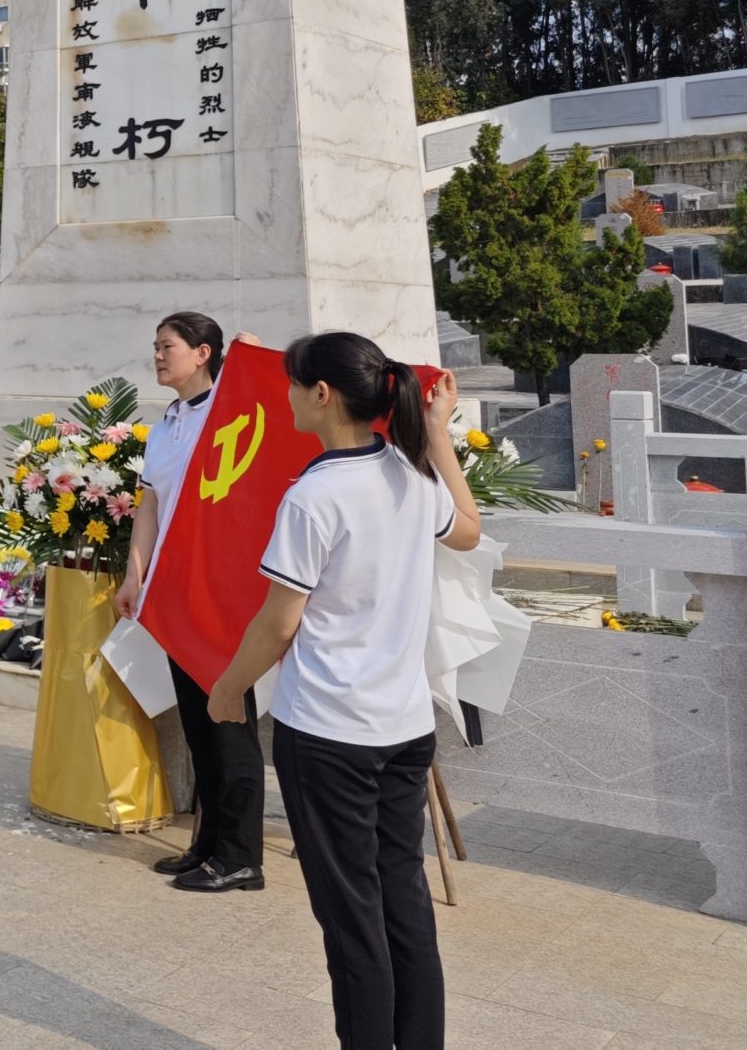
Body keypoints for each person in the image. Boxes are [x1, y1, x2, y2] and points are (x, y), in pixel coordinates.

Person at [209, 335, 479, 1050]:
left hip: (329, 733)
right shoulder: (410, 478)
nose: (289, 395)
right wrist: (441, 436)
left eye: (296, 384)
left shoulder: (315, 495)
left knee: (352, 916)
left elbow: (278, 624)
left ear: (322, 393)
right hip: (402, 725)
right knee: (403, 901)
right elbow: (471, 530)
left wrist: (228, 687)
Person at [115, 311, 264, 893]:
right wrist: (135, 576)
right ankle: (208, 845)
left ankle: (242, 856)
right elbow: (150, 506)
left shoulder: (228, 411)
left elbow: (269, 395)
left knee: (229, 721)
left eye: (168, 346)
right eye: (154, 346)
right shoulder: (167, 424)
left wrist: (249, 355)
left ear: (203, 353)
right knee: (201, 726)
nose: (157, 356)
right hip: (176, 590)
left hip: (223, 591)